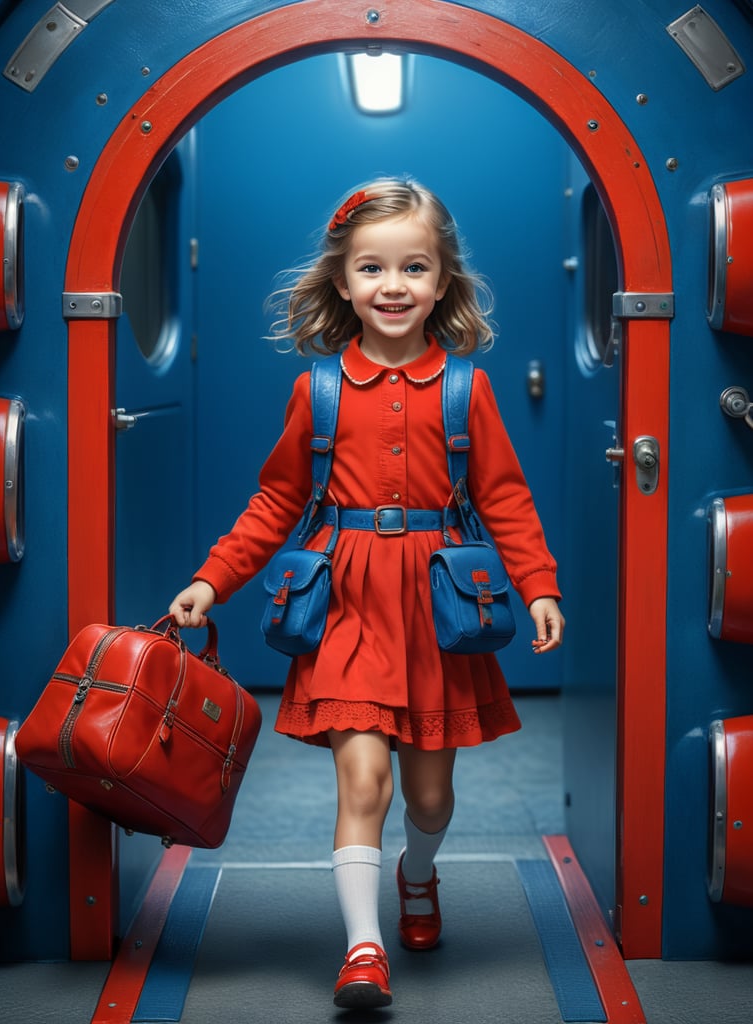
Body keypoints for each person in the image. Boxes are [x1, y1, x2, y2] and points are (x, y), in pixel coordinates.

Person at [169, 178, 564, 1010]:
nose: (393, 285)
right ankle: (362, 949)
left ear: (441, 283)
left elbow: (504, 499)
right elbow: (276, 500)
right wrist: (213, 579)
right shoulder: (317, 390)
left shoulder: (468, 388)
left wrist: (536, 587)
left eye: (413, 267)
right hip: (346, 601)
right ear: (342, 282)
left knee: (428, 795)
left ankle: (417, 876)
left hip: (437, 609)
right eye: (372, 268)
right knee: (363, 784)